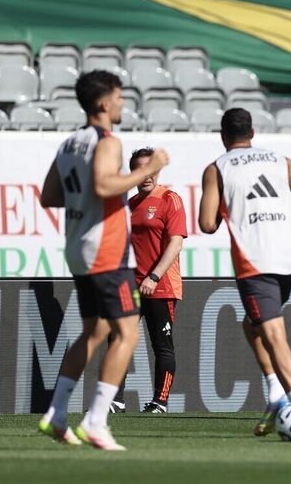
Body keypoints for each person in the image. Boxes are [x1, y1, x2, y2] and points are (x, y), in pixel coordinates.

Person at [37, 70, 169, 451]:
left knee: (94, 332)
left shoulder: (69, 144)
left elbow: (49, 196)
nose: (123, 102)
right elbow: (103, 185)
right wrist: (148, 169)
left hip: (78, 247)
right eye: (118, 96)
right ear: (103, 103)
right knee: (127, 333)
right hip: (107, 250)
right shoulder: (107, 141)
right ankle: (96, 421)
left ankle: (56, 412)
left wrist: (84, 200)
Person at [198, 108, 291, 436]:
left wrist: (225, 206)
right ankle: (276, 392)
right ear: (252, 133)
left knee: (273, 333)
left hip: (255, 262)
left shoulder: (218, 168)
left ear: (223, 136)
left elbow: (206, 224)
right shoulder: (281, 160)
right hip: (287, 259)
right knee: (253, 325)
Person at [128, 146, 187, 414]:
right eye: (140, 170)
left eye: (151, 169)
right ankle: (115, 401)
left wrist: (153, 276)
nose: (147, 175)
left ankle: (159, 402)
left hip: (160, 285)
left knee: (161, 345)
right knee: (118, 341)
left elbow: (176, 243)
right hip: (131, 285)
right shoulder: (130, 205)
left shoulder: (169, 199)